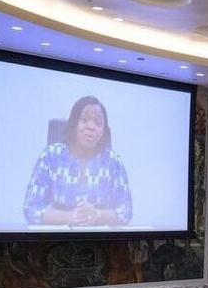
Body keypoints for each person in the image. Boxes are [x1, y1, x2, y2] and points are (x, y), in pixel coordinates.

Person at [22, 95, 131, 226]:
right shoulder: (50, 156)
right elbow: (31, 208)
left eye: (98, 123)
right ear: (73, 125)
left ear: (103, 132)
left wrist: (98, 215)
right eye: (84, 120)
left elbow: (126, 211)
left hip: (100, 236)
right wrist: (69, 218)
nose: (91, 126)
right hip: (57, 236)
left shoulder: (113, 162)